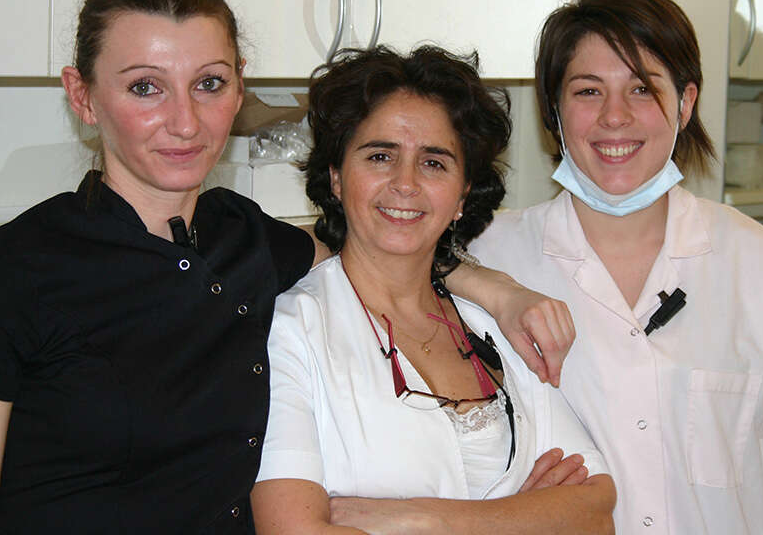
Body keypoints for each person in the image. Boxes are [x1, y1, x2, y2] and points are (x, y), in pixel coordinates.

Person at [0, 0, 574, 535]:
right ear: (82, 95)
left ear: (239, 87)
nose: (185, 121)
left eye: (209, 83)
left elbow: (378, 246)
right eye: (145, 87)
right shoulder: (4, 274)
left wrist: (498, 291)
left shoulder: (242, 236)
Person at [469, 0, 763, 534]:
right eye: (588, 91)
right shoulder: (488, 257)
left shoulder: (753, 259)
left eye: (642, 89)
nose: (615, 117)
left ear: (685, 104)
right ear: (554, 110)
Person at [250, 45, 616, 535]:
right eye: (380, 156)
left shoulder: (496, 327)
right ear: (336, 177)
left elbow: (596, 513)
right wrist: (525, 518)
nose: (405, 184)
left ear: (463, 193)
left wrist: (419, 519)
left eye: (434, 163)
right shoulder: (289, 332)